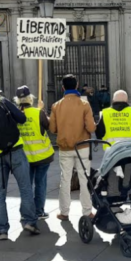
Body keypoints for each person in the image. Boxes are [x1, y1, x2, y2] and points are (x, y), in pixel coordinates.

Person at [0, 79, 40, 240]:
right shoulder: (2, 100)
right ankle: (30, 221)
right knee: (25, 187)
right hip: (15, 149)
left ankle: (2, 230)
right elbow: (21, 118)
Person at [49, 74, 96, 221]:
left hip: (65, 148)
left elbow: (52, 129)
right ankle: (87, 211)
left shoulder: (56, 105)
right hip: (82, 146)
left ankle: (64, 212)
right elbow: (91, 127)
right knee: (84, 178)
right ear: (76, 86)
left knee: (65, 180)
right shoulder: (84, 104)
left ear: (63, 87)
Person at [14, 86, 54, 220]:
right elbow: (49, 127)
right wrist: (42, 109)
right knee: (40, 183)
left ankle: (25, 212)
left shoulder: (14, 114)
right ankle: (38, 211)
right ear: (30, 98)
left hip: (24, 157)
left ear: (17, 100)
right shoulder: (38, 113)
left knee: (26, 186)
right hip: (42, 156)